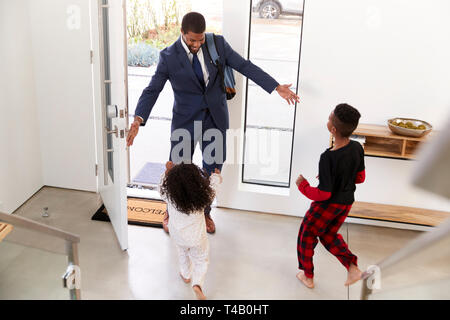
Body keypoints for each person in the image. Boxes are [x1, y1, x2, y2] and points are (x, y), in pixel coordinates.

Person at [127, 12, 300, 234]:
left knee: (212, 169)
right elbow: (153, 89)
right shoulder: (168, 56)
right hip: (185, 120)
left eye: (200, 39)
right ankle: (171, 210)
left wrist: (276, 87)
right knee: (178, 169)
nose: (198, 44)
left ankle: (205, 212)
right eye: (192, 40)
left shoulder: (217, 43)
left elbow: (244, 66)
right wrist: (138, 119)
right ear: (182, 33)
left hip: (214, 118)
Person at [295, 103, 366, 289]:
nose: (327, 120)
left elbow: (323, 194)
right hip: (346, 203)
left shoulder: (327, 157)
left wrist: (303, 186)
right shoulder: (358, 147)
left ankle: (307, 275)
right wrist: (334, 177)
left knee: (306, 235)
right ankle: (352, 266)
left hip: (327, 205)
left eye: (329, 118)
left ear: (333, 129)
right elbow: (360, 178)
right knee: (328, 234)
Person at [159, 161, 222, 300]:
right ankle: (197, 284)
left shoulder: (169, 196)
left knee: (182, 253)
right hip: (197, 238)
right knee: (201, 260)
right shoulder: (201, 199)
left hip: (177, 235)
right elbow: (213, 187)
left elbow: (160, 188)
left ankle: (186, 274)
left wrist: (167, 171)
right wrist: (216, 176)